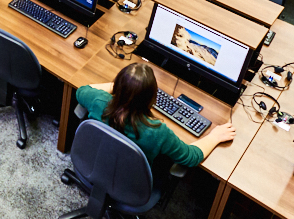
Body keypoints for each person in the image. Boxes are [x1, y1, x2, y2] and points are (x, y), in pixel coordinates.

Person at [77, 63, 235, 168]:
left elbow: (82, 91)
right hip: (129, 184)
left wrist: (123, 87)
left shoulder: (99, 101)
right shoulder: (157, 132)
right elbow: (191, 157)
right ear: (152, 99)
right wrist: (215, 137)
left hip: (93, 162)